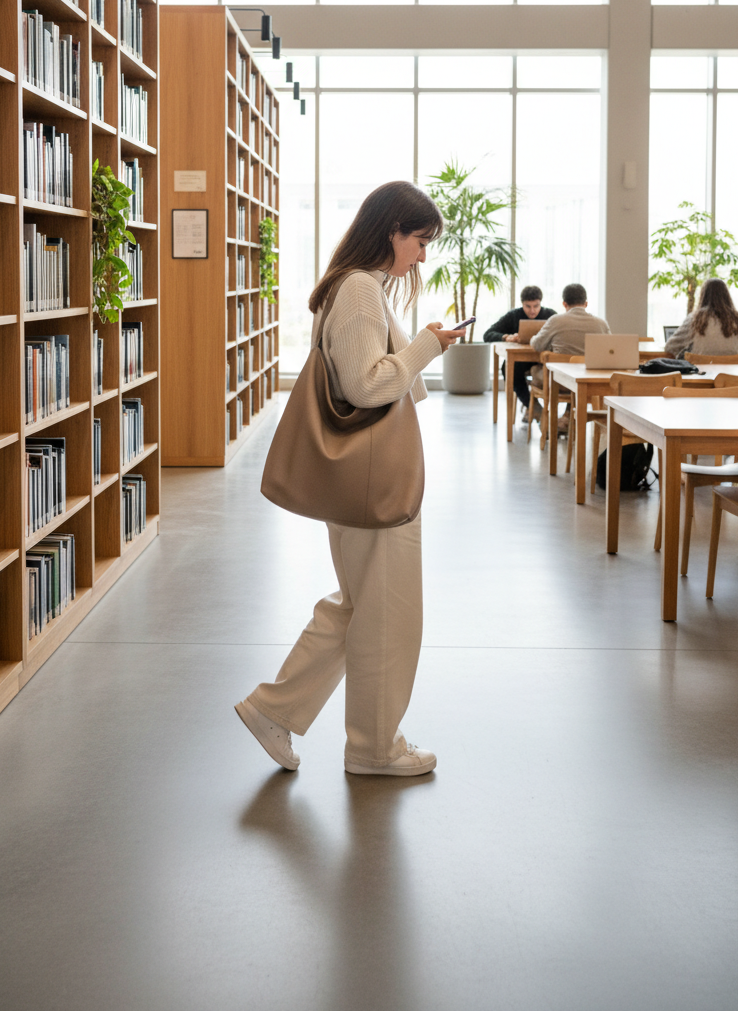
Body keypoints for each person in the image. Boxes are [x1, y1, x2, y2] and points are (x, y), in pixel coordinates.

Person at [235, 181, 463, 778]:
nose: (422, 255)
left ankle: (274, 710)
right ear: (391, 230)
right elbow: (366, 386)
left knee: (359, 606)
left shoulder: (357, 286)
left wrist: (424, 345)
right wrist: (426, 346)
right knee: (390, 617)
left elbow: (376, 375)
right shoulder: (361, 289)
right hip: (374, 482)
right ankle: (374, 748)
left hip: (361, 480)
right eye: (419, 241)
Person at [528, 283, 610, 431]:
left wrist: (534, 337)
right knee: (578, 374)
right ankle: (568, 417)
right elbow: (610, 352)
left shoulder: (555, 321)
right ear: (586, 303)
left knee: (534, 370)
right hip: (589, 384)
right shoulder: (601, 324)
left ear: (564, 304)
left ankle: (548, 416)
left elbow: (537, 345)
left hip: (559, 383)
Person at [482, 285, 556, 421]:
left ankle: (535, 409)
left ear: (540, 303)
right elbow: (488, 334)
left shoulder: (550, 315)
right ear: (522, 304)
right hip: (522, 360)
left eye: (536, 306)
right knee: (508, 368)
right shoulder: (514, 315)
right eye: (528, 306)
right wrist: (506, 337)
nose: (532, 310)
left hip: (544, 359)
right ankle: (532, 406)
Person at [665, 278, 738, 358]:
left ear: (703, 296)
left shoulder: (695, 319)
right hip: (734, 366)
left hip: (700, 366)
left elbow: (670, 347)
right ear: (726, 296)